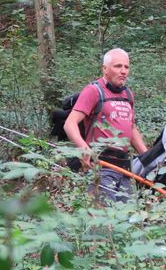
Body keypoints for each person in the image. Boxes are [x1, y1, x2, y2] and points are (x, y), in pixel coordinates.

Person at [63, 48, 147, 202]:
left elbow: (131, 128)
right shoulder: (93, 91)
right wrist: (84, 148)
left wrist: (148, 158)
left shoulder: (128, 94)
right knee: (103, 217)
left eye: (126, 67)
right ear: (105, 69)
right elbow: (70, 123)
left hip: (124, 167)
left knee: (126, 217)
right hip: (101, 166)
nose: (123, 71)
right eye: (118, 66)